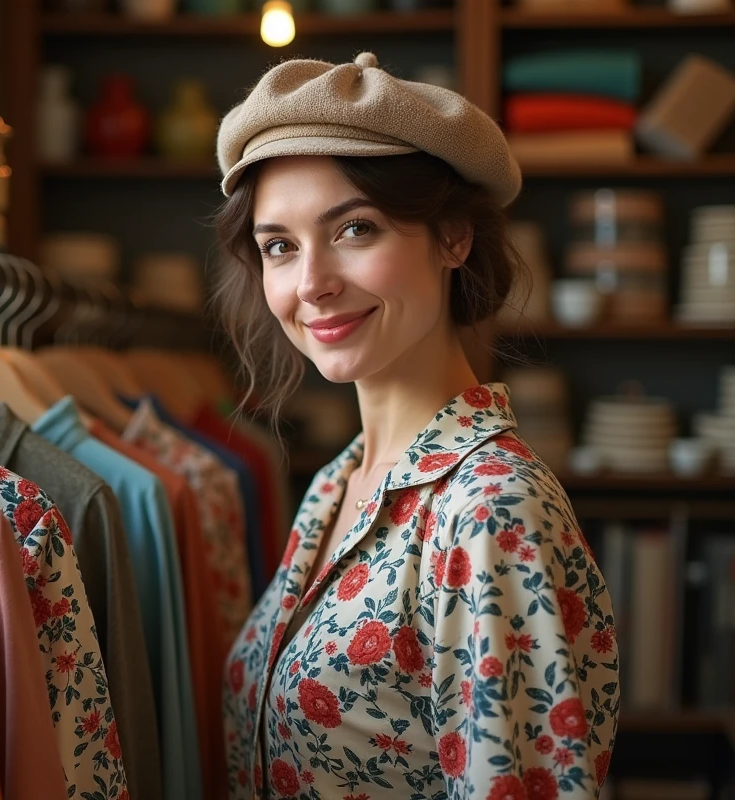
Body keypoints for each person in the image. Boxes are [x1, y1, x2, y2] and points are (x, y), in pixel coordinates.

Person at [212, 54, 619, 800]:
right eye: (280, 246)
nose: (311, 284)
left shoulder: (489, 508)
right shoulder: (340, 482)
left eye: (355, 228)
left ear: (454, 238)